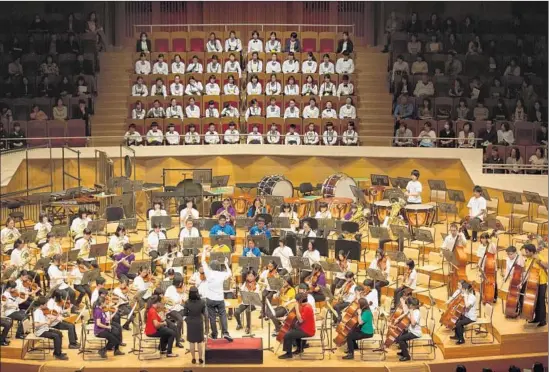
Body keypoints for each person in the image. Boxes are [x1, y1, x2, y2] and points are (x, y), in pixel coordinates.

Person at [201, 246, 233, 341]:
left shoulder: (209, 272)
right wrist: (226, 264)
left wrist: (204, 251)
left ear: (211, 267)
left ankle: (214, 334)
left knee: (212, 317)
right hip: (220, 299)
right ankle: (225, 332)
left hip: (210, 299)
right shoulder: (222, 274)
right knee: (222, 315)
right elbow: (230, 273)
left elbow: (203, 261)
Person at [278, 293, 315, 359]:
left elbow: (300, 320)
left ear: (300, 301)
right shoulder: (305, 305)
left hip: (307, 331)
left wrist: (297, 308)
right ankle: (299, 349)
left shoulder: (307, 307)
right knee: (292, 330)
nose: (296, 302)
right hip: (304, 328)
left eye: (297, 301)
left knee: (287, 334)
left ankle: (288, 354)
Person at [523, 244, 548, 327]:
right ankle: (537, 318)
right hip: (533, 282)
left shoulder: (539, 256)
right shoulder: (529, 259)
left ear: (531, 252)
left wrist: (539, 262)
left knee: (541, 301)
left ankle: (543, 320)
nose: (525, 253)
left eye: (527, 252)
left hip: (541, 282)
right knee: (536, 301)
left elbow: (547, 266)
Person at [394, 297, 422, 361]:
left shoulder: (416, 312)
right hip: (410, 330)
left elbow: (413, 323)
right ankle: (404, 351)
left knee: (401, 339)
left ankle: (407, 356)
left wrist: (411, 312)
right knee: (399, 336)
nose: (407, 306)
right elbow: (405, 314)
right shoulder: (412, 310)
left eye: (408, 305)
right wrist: (397, 319)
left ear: (411, 305)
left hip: (415, 333)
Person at [184, 286, 206, 364]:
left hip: (190, 323)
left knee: (192, 342)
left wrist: (187, 321)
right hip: (199, 322)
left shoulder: (187, 302)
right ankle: (200, 358)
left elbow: (184, 314)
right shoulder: (202, 302)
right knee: (200, 342)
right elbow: (204, 313)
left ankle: (193, 358)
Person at [164, 277, 186, 348]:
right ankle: (178, 340)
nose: (182, 284)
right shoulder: (170, 288)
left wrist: (183, 299)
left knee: (189, 313)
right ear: (178, 283)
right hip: (171, 309)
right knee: (180, 320)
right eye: (181, 283)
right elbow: (165, 299)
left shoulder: (181, 289)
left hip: (179, 308)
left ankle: (178, 336)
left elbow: (182, 299)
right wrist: (173, 302)